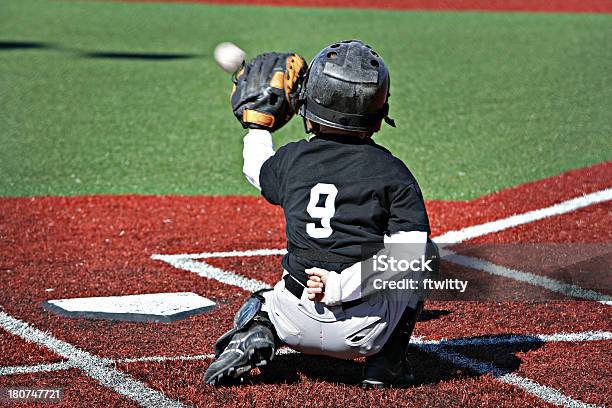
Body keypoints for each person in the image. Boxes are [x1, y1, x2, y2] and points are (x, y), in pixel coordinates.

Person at [204, 40, 437, 388]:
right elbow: (410, 255)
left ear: (308, 105)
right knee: (422, 262)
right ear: (378, 116)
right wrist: (340, 285)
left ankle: (259, 331)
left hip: (293, 320)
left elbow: (256, 169)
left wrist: (258, 126)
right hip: (363, 331)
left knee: (263, 301)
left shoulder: (293, 160)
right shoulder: (393, 173)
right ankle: (385, 365)